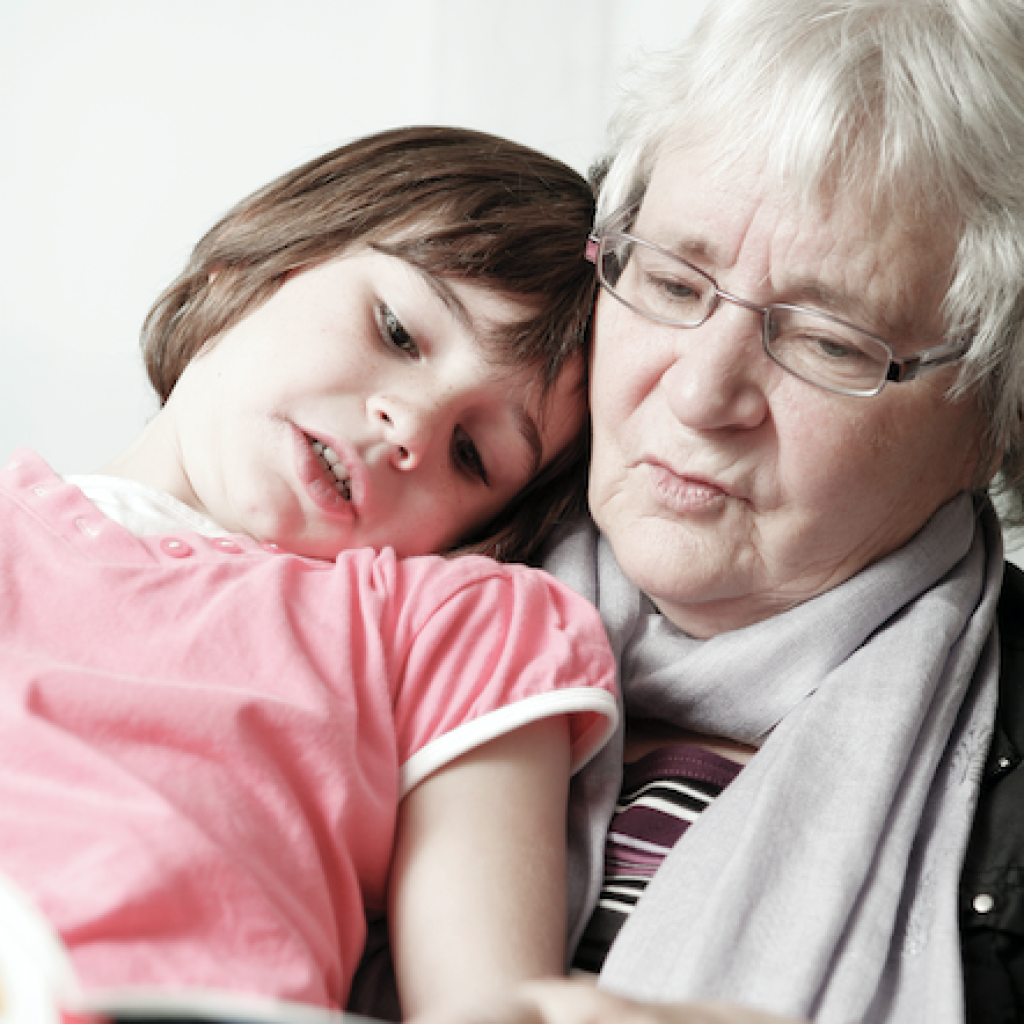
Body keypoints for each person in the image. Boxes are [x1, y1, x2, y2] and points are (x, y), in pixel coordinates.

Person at [375, 2, 1024, 1023]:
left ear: (994, 413)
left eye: (829, 342)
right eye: (674, 282)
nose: (699, 395)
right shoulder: (399, 535)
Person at [0, 126, 620, 1018]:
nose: (408, 427)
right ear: (259, 262)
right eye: (400, 331)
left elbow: (487, 1004)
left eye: (472, 455)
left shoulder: (449, 623)